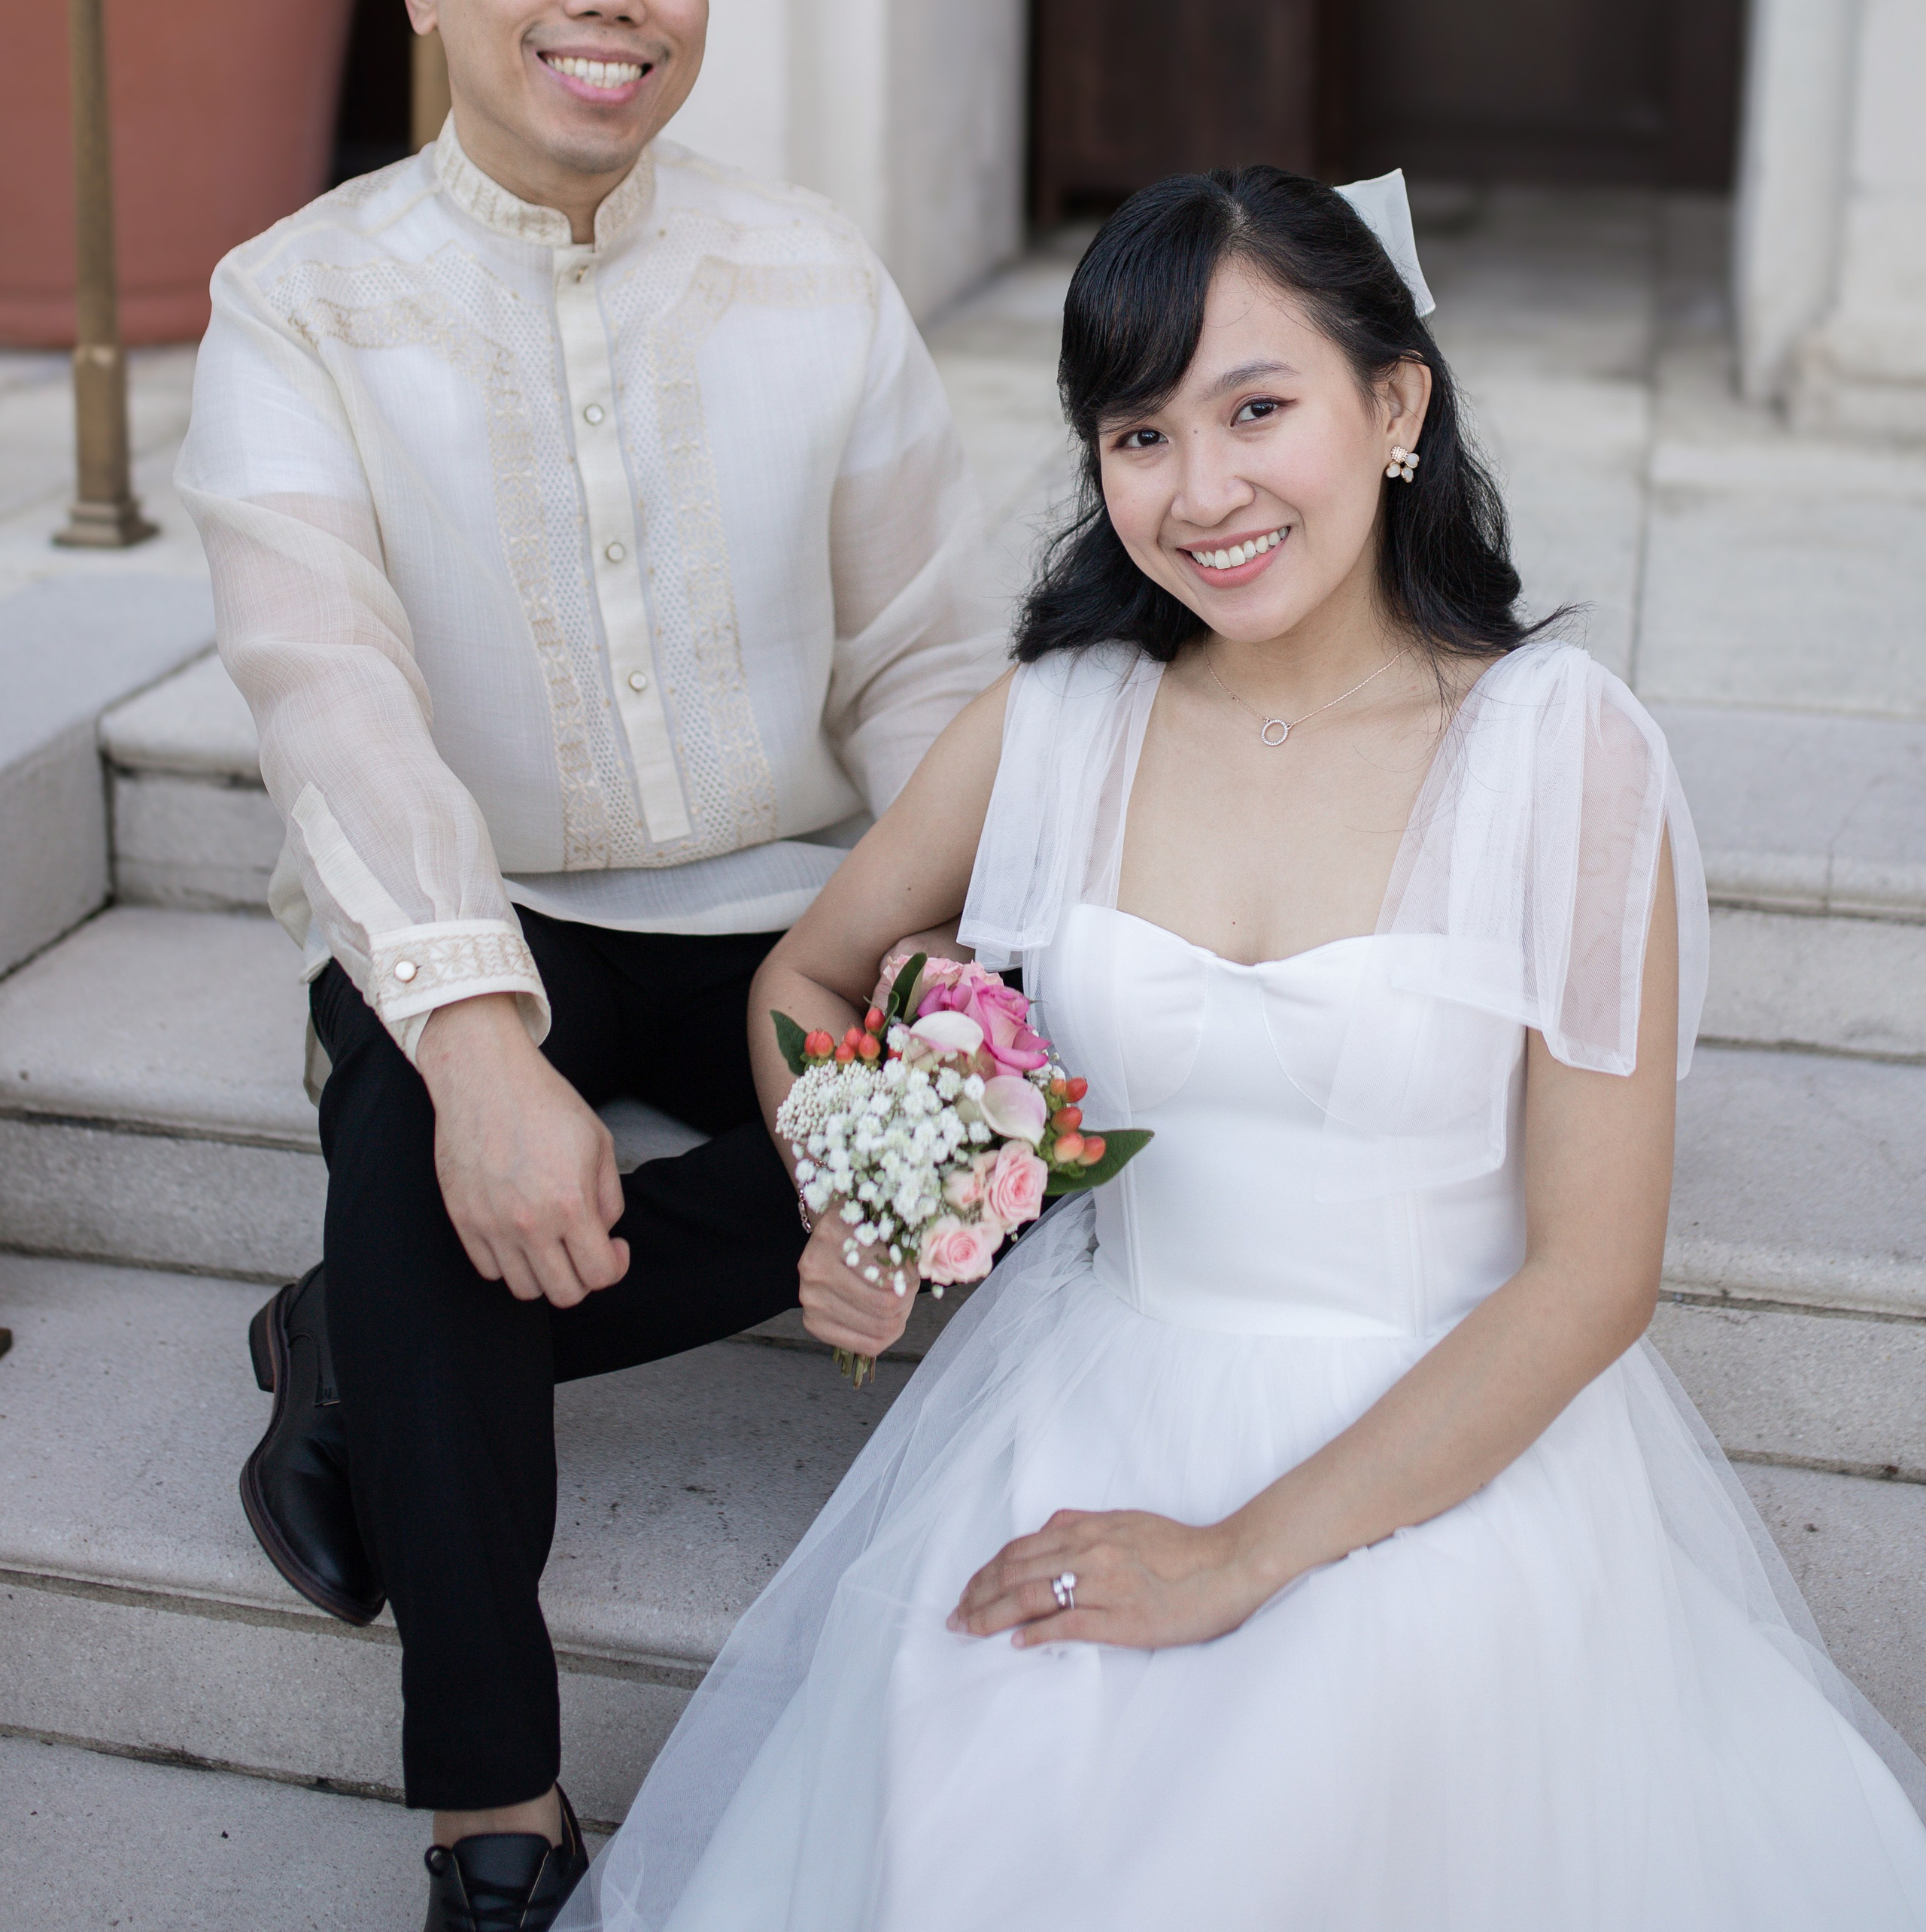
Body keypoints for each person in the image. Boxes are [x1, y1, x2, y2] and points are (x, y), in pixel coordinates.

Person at [567, 166, 1926, 1932]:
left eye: (1256, 409)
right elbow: (807, 979)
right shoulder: (1060, 718)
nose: (1198, 492)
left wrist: (1238, 1558)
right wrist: (856, 1197)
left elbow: (1590, 1278)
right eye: (1136, 435)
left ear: (1393, 407)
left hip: (1438, 1444)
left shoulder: (1555, 754)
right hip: (1092, 1398)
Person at [177, 0, 1001, 1931]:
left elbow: (925, 654)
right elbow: (329, 694)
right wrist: (464, 1036)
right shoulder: (299, 301)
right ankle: (497, 1816)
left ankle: (360, 1343)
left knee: (1025, 1130)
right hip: (485, 903)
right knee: (428, 1168)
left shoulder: (815, 276)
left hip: (788, 902)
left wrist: (925, 954)